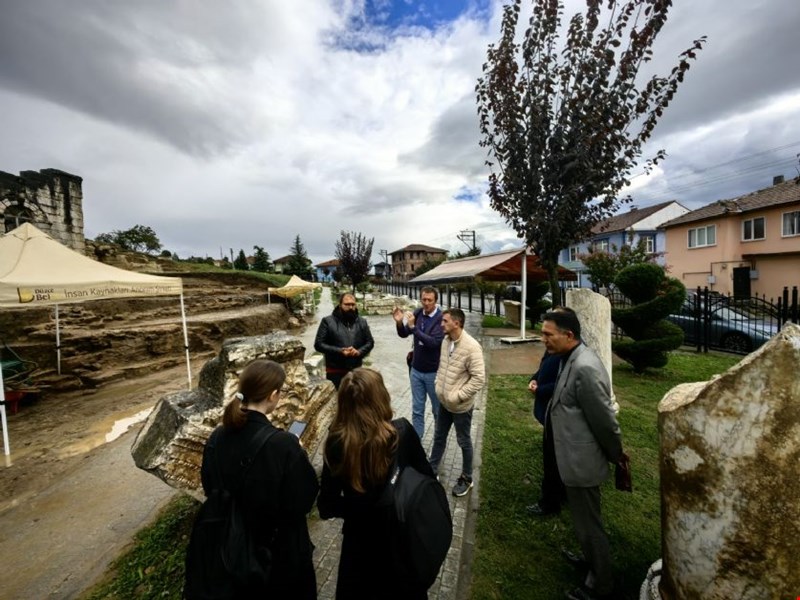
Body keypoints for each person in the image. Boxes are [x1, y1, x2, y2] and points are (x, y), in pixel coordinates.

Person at [200, 359, 318, 599]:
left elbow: (209, 487)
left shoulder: (217, 437)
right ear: (274, 395)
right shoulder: (283, 444)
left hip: (233, 551)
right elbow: (304, 500)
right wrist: (299, 453)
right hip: (280, 558)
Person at [318, 368, 433, 600]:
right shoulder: (401, 432)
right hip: (401, 540)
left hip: (359, 545)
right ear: (381, 396)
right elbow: (427, 479)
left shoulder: (337, 442)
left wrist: (358, 507)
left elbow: (326, 506)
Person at [540, 310, 624, 600]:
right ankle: (590, 561)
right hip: (571, 459)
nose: (543, 339)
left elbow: (604, 421)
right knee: (582, 521)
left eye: (548, 335)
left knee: (590, 526)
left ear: (569, 335)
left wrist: (618, 456)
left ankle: (600, 584)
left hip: (582, 462)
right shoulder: (569, 358)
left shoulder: (585, 367)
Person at [429, 308, 485, 497]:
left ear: (456, 323)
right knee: (438, 437)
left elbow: (479, 379)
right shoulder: (446, 341)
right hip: (444, 402)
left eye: (445, 321)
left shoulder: (472, 347)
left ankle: (467, 478)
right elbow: (441, 366)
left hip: (460, 406)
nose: (441, 324)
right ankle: (432, 470)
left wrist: (458, 396)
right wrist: (439, 386)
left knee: (464, 441)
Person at [527, 306, 575, 516]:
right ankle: (559, 494)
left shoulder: (571, 355)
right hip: (548, 411)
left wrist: (540, 390)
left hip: (557, 413)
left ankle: (550, 502)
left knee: (553, 460)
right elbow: (543, 366)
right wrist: (534, 378)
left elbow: (562, 383)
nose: (544, 337)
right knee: (553, 458)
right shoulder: (554, 346)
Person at [392, 286, 444, 439]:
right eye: (424, 299)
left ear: (435, 301)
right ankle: (417, 445)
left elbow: (433, 343)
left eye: (430, 300)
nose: (426, 303)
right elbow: (403, 334)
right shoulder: (418, 313)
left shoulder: (441, 319)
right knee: (417, 409)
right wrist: (399, 322)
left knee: (437, 410)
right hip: (416, 370)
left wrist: (414, 327)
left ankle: (438, 442)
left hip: (433, 372)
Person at [314, 292, 375, 389]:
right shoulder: (327, 321)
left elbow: (370, 342)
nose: (350, 307)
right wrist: (339, 351)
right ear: (340, 305)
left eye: (353, 304)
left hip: (356, 371)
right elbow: (318, 344)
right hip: (335, 372)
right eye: (347, 304)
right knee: (337, 401)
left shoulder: (362, 322)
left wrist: (359, 352)